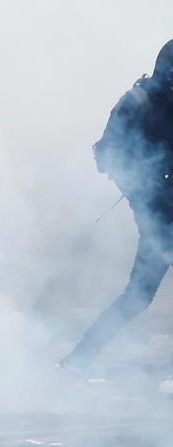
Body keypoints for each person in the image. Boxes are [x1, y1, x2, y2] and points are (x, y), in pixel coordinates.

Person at [60, 40, 173, 378]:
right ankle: (75, 362)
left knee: (137, 297)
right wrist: (144, 195)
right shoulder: (138, 102)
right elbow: (107, 154)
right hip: (159, 215)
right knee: (137, 297)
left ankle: (75, 362)